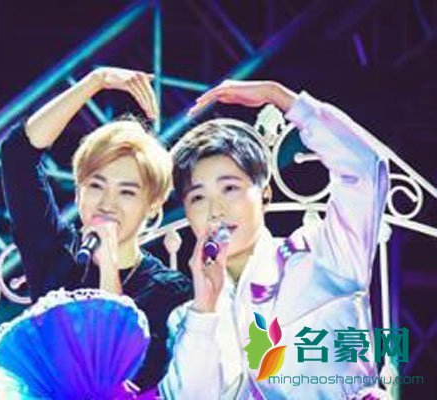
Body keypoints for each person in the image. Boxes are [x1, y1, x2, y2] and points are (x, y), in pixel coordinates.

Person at [159, 80, 389, 399]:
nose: (215, 211)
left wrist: (280, 97)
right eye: (198, 198)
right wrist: (205, 309)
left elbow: (365, 169)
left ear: (264, 193)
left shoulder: (322, 254)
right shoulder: (189, 318)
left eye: (230, 188)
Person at [0, 67, 193, 390]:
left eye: (127, 192)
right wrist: (95, 81)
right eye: (96, 186)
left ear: (152, 205)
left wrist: (109, 269)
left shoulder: (168, 290)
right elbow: (18, 154)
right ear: (78, 193)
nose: (107, 203)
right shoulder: (56, 255)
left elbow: (117, 379)